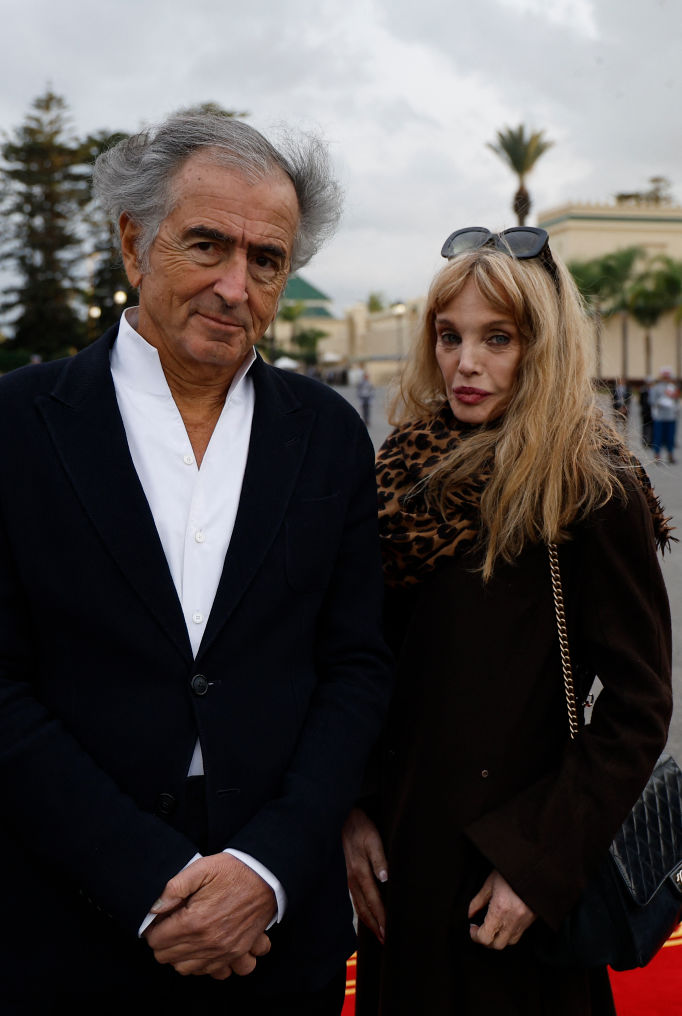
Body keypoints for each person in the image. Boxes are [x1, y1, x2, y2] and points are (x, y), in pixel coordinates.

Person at [0, 111, 392, 1015]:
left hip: (276, 936)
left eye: (266, 261)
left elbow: (357, 667)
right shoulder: (17, 427)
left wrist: (265, 869)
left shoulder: (328, 435)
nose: (233, 286)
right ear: (134, 243)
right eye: (207, 244)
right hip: (66, 925)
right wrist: (148, 878)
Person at [342, 226, 673, 1015]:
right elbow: (359, 660)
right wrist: (350, 811)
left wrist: (538, 863)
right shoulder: (400, 470)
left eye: (499, 338)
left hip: (511, 877)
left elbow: (637, 708)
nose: (466, 362)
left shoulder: (589, 485)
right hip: (399, 863)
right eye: (450, 336)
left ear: (545, 345)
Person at [650, 365, 679, 462]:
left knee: (670, 437)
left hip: (671, 416)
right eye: (665, 376)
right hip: (660, 416)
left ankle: (670, 454)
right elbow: (652, 401)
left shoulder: (673, 387)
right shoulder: (656, 388)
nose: (666, 378)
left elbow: (676, 400)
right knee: (658, 436)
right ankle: (657, 455)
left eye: (668, 376)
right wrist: (660, 402)